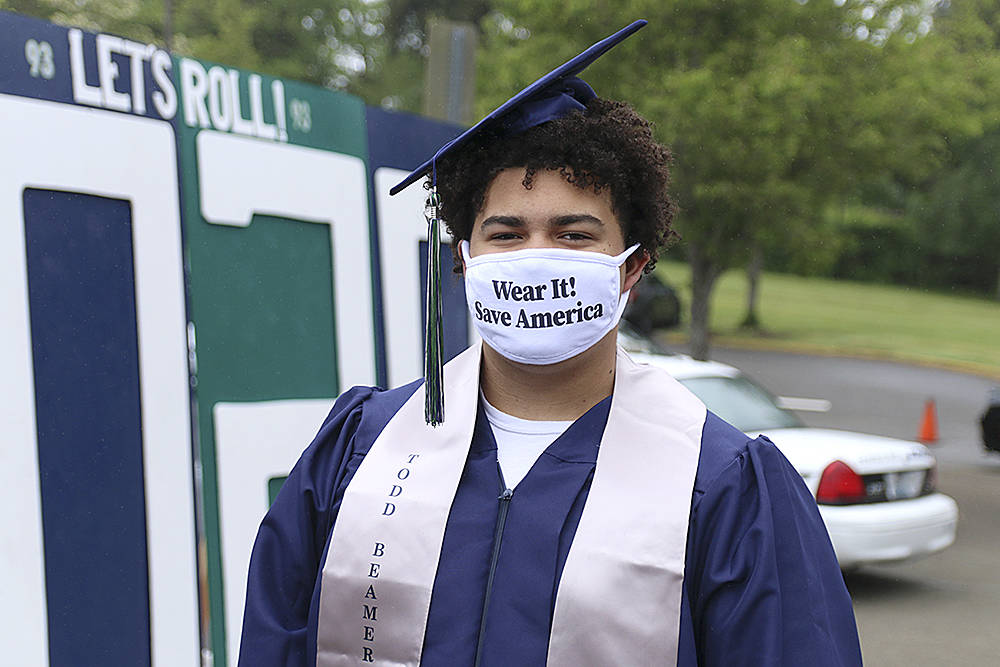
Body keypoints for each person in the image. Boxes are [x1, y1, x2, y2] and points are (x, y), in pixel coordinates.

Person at [239, 21, 861, 666]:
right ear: (463, 258)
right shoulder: (359, 449)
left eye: (573, 235)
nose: (536, 258)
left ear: (632, 266)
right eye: (506, 234)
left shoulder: (723, 486)